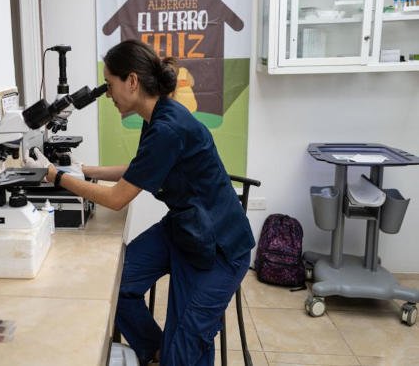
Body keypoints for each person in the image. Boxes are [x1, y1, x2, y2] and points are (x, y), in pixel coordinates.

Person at [24, 39, 255, 366]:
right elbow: (139, 168)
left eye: (110, 83)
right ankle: (156, 350)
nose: (107, 93)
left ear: (132, 81)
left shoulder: (168, 127)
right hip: (185, 228)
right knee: (115, 287)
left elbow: (117, 199)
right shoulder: (158, 116)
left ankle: (172, 354)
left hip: (217, 248)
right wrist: (82, 169)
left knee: (185, 351)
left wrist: (55, 177)